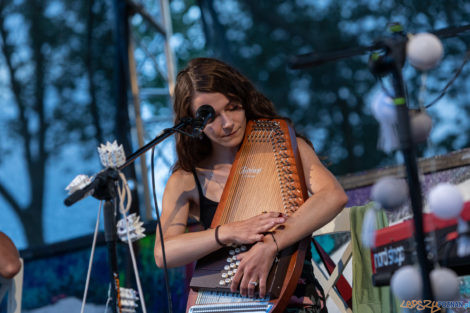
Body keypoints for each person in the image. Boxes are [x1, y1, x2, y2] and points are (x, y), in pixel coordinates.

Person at [154, 57, 348, 312]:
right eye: (210, 116)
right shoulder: (187, 178)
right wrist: (229, 232)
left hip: (294, 300)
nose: (227, 123)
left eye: (233, 107)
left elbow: (333, 196)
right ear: (193, 123)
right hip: (225, 304)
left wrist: (271, 244)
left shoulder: (285, 149)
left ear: (245, 102)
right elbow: (163, 253)